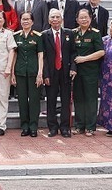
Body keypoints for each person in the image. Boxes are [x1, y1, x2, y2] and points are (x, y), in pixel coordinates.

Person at [42, 8, 76, 138]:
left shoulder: (69, 33)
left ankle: (65, 127)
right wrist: (45, 74)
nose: (55, 20)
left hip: (65, 71)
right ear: (49, 20)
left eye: (57, 17)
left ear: (61, 19)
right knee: (50, 100)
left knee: (66, 100)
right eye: (52, 17)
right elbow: (43, 56)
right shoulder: (44, 35)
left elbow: (74, 52)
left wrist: (73, 67)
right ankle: (52, 127)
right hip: (51, 72)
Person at [72, 9, 105, 136]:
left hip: (90, 71)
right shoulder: (74, 33)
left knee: (91, 99)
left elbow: (101, 52)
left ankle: (90, 126)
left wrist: (84, 59)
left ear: (90, 19)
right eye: (81, 18)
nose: (84, 20)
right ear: (77, 20)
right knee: (78, 99)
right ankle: (79, 125)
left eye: (86, 17)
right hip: (77, 72)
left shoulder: (95, 33)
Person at [12, 11, 44, 137]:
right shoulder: (16, 36)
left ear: (32, 21)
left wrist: (40, 73)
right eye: (23, 19)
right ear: (20, 21)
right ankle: (24, 126)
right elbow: (14, 55)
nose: (25, 21)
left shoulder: (38, 36)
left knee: (34, 100)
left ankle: (33, 126)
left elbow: (40, 55)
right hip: (20, 72)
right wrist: (13, 73)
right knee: (22, 100)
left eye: (28, 19)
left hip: (33, 72)